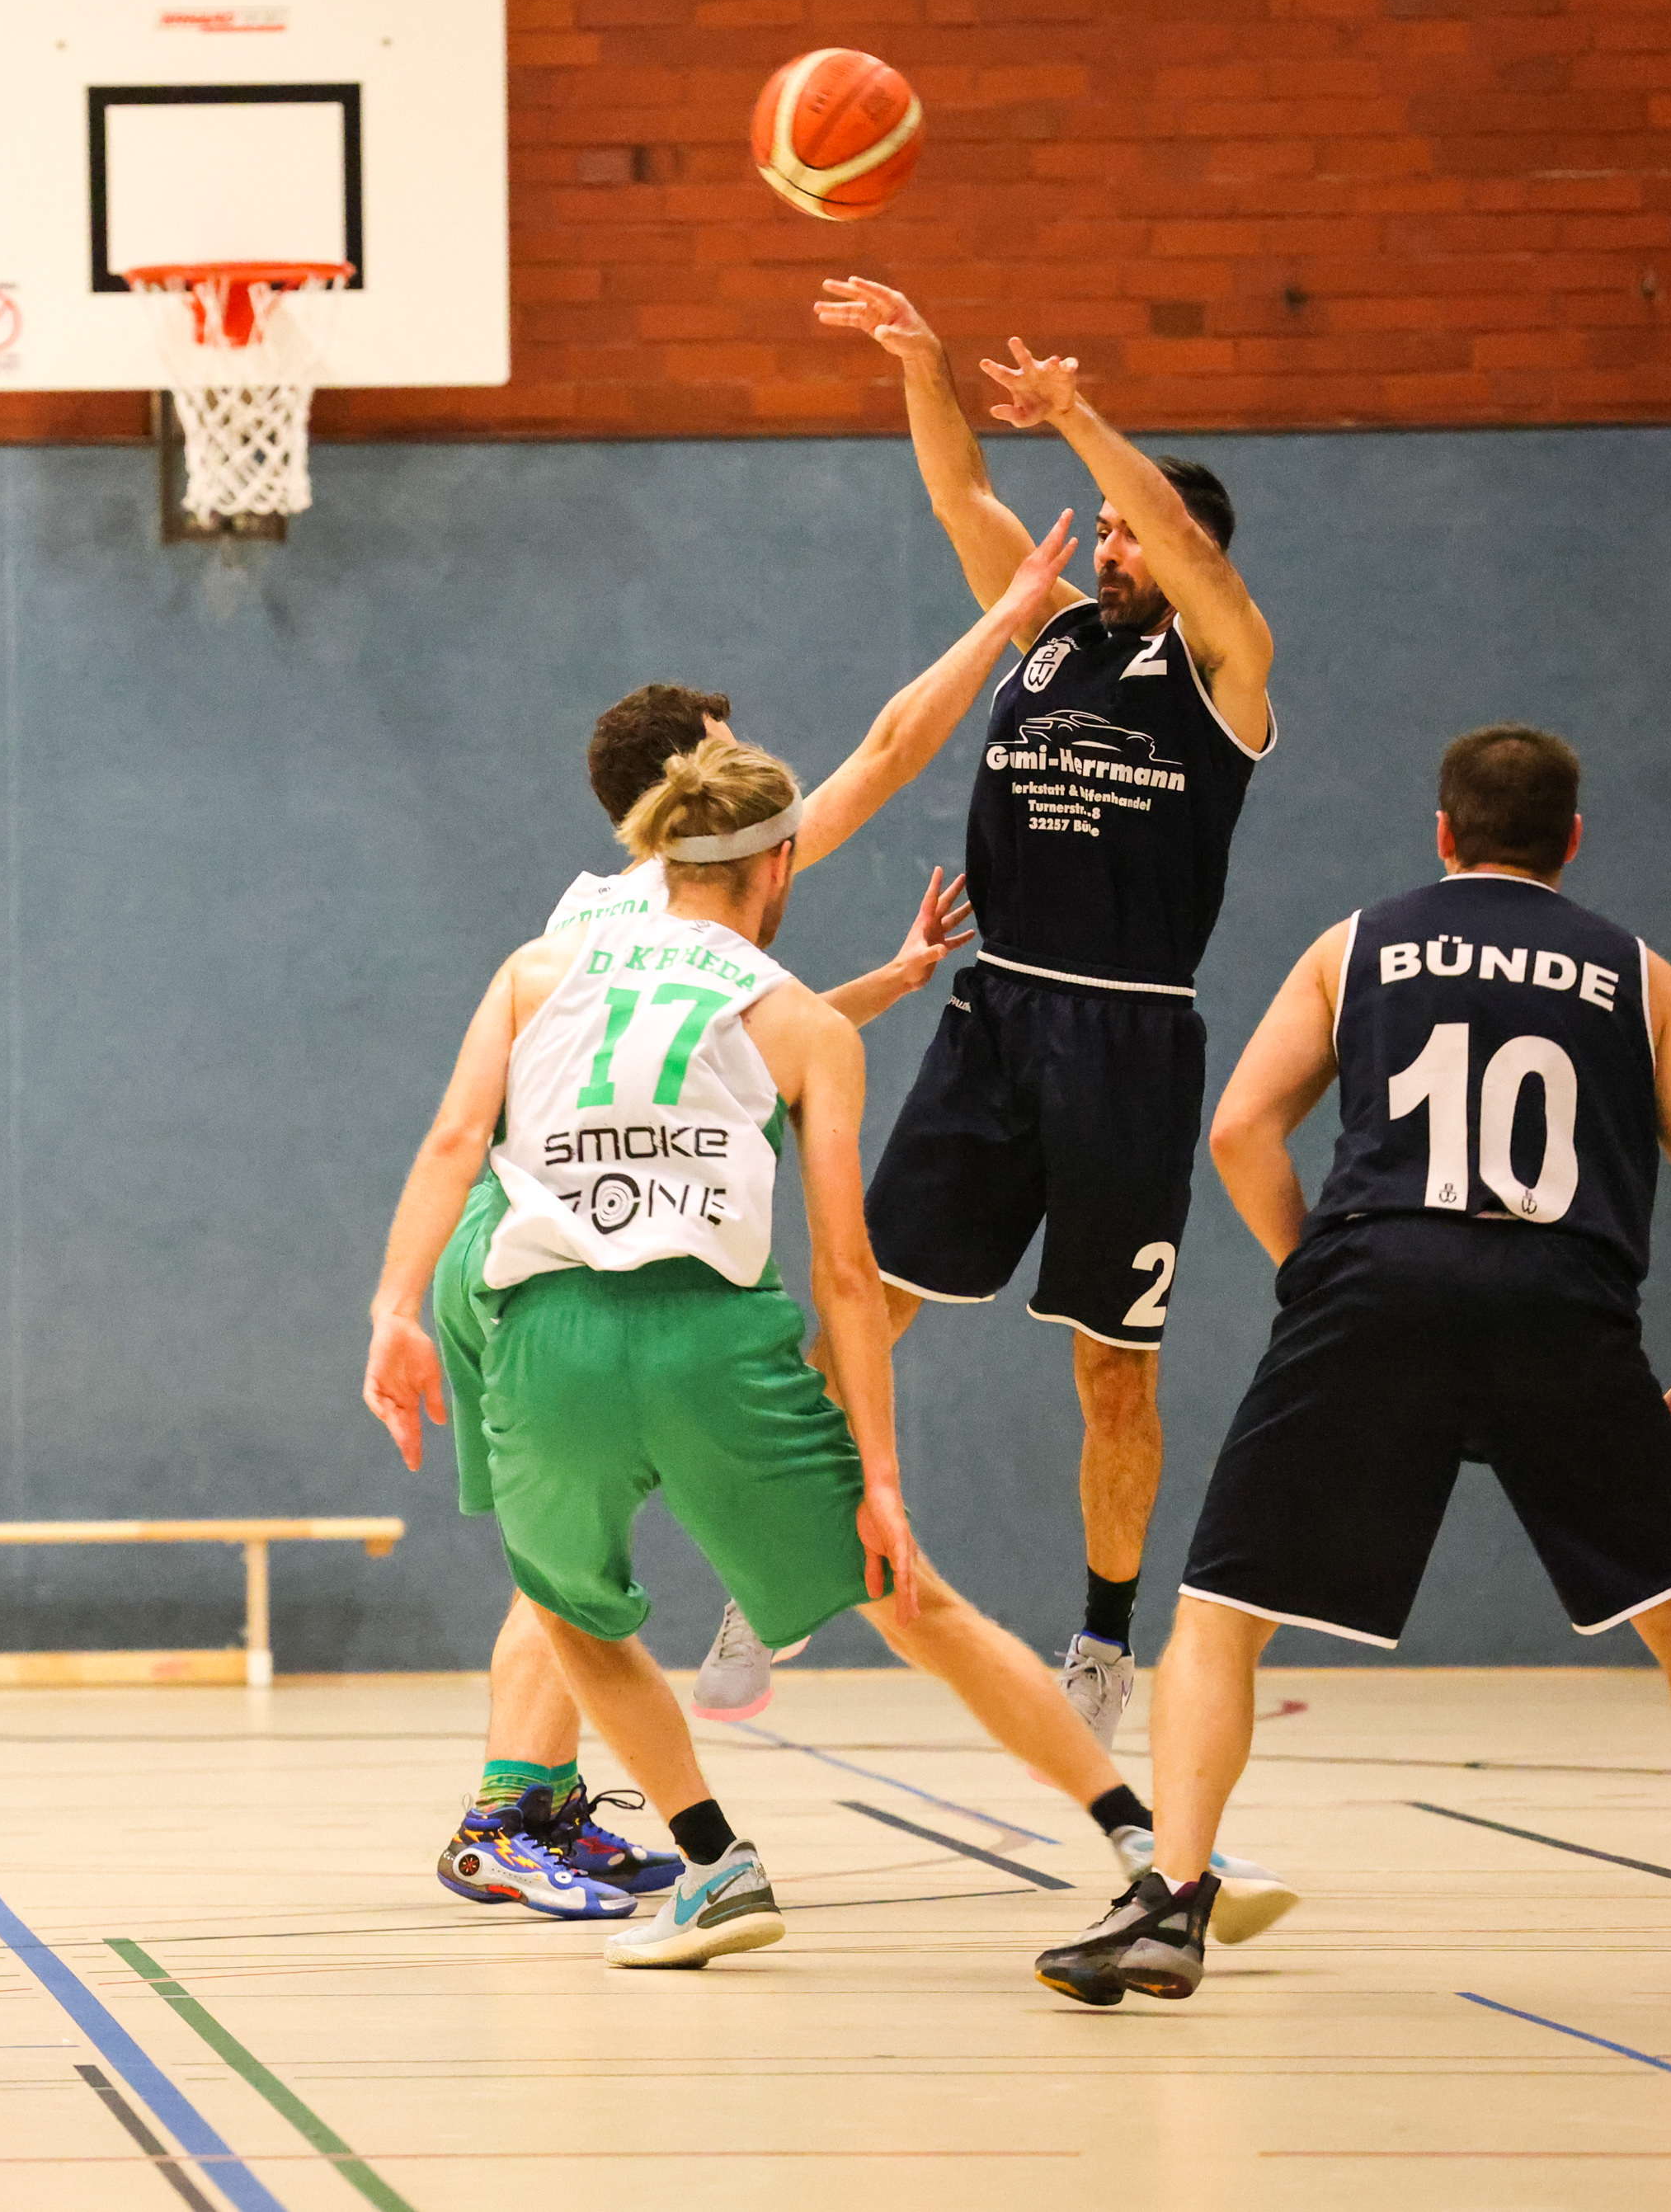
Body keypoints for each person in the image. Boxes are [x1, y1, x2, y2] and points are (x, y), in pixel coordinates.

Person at [1034, 727, 1671, 2009]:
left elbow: (1239, 1130)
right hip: (1564, 1303)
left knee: (1220, 1613)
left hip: (1374, 1285)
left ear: (1442, 832)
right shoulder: (1647, 979)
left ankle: (1173, 1901)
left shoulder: (1354, 946)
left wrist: (1321, 1269)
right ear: (1570, 840)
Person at [366, 740, 1199, 1970]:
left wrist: (394, 1310)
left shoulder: (535, 971)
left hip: (549, 1336)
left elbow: (452, 1142)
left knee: (567, 1608)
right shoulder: (802, 1021)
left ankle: (715, 1865)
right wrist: (881, 1474)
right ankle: (1147, 1848)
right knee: (916, 1604)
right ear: (780, 864)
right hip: (718, 1345)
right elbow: (848, 1273)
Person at [424, 514, 1080, 1920]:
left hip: (532, 1228)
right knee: (562, 1565)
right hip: (531, 1244)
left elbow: (701, 1063)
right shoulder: (666, 888)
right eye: (725, 749)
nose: (748, 765)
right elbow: (888, 751)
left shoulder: (619, 920)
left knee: (569, 1548)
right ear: (687, 793)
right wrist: (1005, 613)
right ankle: (505, 1813)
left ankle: (535, 1803)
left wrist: (872, 992)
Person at [728, 276, 1277, 1753]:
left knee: (1112, 1366)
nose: (1108, 545)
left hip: (1129, 1041)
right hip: (994, 1018)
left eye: (1132, 532)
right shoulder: (1046, 633)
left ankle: (1100, 1638)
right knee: (865, 1298)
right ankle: (776, 1569)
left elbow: (1174, 542)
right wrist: (920, 365)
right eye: (1104, 532)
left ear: (1191, 551)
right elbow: (963, 492)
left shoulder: (1225, 668)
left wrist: (1082, 417)